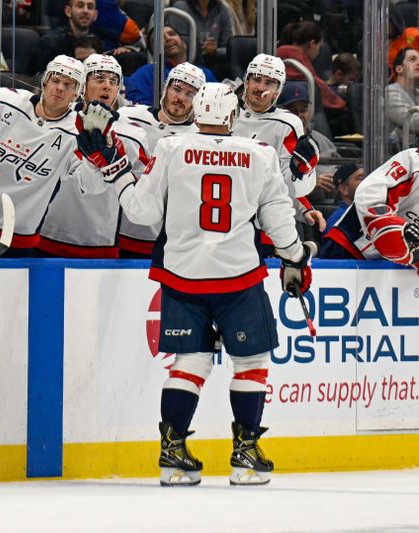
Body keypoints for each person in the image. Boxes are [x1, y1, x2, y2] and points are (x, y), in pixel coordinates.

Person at [79, 82, 314, 486]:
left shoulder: (171, 147)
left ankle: (172, 457)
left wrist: (114, 170)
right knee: (251, 363)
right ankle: (245, 457)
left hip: (182, 274)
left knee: (189, 363)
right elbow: (277, 218)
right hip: (238, 276)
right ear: (232, 116)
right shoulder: (259, 153)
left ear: (197, 111)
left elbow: (140, 211)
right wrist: (294, 256)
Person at [0, 55, 95, 257]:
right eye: (55, 80)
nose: (60, 88)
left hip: (19, 236)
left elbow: (90, 185)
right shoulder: (3, 101)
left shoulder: (77, 132)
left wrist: (98, 155)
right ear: (45, 81)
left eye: (68, 85)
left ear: (77, 93)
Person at [37, 54, 149, 258]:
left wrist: (117, 167)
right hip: (47, 235)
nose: (107, 86)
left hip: (100, 242)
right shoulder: (59, 122)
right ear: (83, 85)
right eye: (99, 78)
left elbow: (145, 191)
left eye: (113, 81)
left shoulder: (133, 135)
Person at [233, 54, 325, 245]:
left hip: (263, 223)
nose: (260, 88)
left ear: (278, 91)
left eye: (269, 83)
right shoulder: (222, 110)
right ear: (246, 81)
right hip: (222, 217)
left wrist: (304, 208)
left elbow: (285, 181)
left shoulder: (288, 124)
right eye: (256, 79)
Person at [116, 62, 204, 257]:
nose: (181, 98)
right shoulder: (128, 116)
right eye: (177, 89)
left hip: (168, 242)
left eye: (190, 94)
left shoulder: (199, 138)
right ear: (166, 88)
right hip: (120, 234)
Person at [323, 149, 418, 267]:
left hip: (395, 262)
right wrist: (388, 231)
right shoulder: (413, 160)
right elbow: (369, 192)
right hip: (349, 247)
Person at [276, 80, 340, 204]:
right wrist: (309, 184)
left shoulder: (319, 139)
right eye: (293, 110)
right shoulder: (273, 140)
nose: (299, 115)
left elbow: (336, 164)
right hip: (293, 207)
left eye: (303, 110)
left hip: (330, 200)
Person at [124, 23, 217, 106]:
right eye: (159, 39)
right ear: (153, 52)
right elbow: (141, 111)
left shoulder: (205, 74)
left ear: (184, 44)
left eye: (172, 34)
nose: (168, 38)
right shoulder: (146, 74)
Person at [26, 0, 99, 77]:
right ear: (68, 11)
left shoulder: (97, 43)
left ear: (95, 15)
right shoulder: (50, 43)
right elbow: (39, 79)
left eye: (90, 7)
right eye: (80, 6)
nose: (85, 11)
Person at [387, 48, 419, 154]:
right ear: (399, 69)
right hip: (395, 158)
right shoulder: (390, 92)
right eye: (412, 59)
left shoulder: (417, 93)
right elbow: (412, 122)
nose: (418, 63)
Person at [323, 163, 364, 235]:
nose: (367, 182)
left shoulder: (360, 213)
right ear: (344, 189)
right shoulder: (338, 222)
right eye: (360, 179)